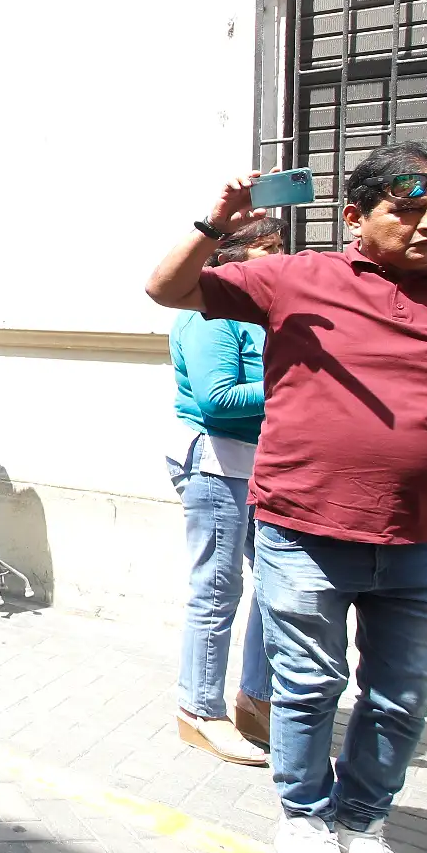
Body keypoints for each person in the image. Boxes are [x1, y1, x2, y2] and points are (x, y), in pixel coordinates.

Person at [146, 143, 427, 853]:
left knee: (399, 701)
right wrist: (213, 221)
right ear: (357, 218)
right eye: (408, 209)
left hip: (426, 543)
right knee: (307, 689)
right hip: (305, 533)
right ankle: (305, 824)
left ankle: (364, 826)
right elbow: (168, 289)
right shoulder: (297, 278)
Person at [167, 216, 284, 766]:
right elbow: (218, 398)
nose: (282, 258)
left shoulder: (257, 313)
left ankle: (255, 698)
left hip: (261, 465)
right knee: (217, 591)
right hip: (216, 462)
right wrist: (296, 382)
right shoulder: (212, 315)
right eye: (270, 249)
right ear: (233, 258)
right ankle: (199, 711)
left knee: (280, 581)